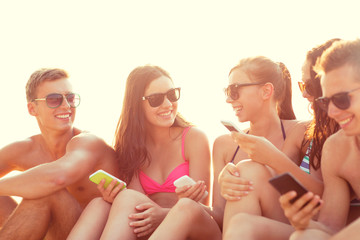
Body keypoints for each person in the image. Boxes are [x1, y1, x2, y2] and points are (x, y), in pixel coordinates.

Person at [67, 64, 218, 240]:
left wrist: (163, 214)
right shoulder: (132, 147)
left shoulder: (194, 138)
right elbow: (134, 203)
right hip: (155, 226)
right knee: (99, 204)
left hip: (194, 223)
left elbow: (199, 206)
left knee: (128, 198)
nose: (168, 104)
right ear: (137, 104)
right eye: (156, 99)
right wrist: (113, 198)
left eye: (172, 94)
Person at [219, 39, 341, 240]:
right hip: (305, 223)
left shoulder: (342, 140)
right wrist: (229, 176)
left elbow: (328, 206)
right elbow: (274, 183)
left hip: (325, 228)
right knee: (247, 171)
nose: (303, 93)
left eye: (309, 85)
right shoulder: (307, 131)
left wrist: (273, 157)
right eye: (302, 85)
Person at [0, 68, 120, 239]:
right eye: (54, 99)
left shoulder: (88, 143)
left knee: (49, 191)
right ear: (32, 109)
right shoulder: (23, 150)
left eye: (70, 98)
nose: (66, 105)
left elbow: (56, 179)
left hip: (93, 234)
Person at [280, 39, 360, 240]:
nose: (332, 112)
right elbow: (330, 227)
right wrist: (303, 223)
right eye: (326, 102)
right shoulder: (336, 148)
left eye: (341, 99)